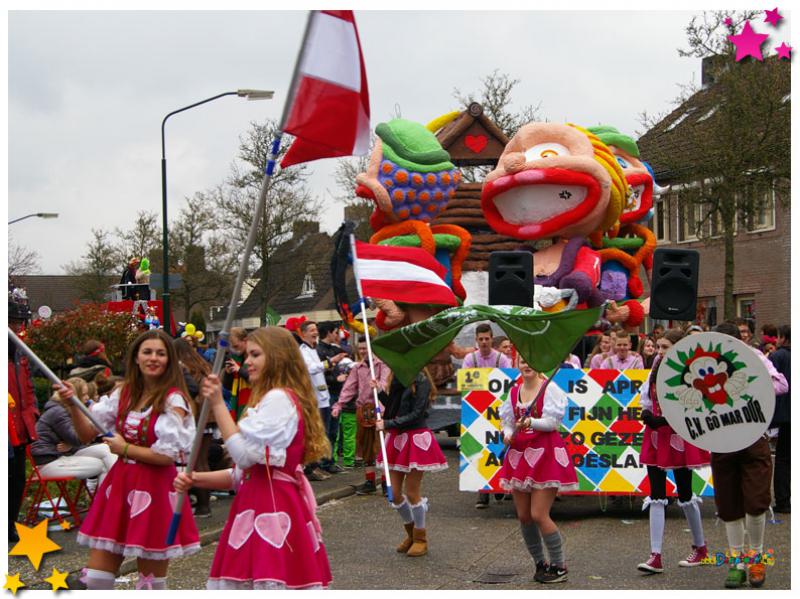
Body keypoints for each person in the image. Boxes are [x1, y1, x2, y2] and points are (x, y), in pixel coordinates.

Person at [173, 326, 332, 589]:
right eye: (247, 354)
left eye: (255, 354)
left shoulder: (279, 399)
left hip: (271, 507)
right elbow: (242, 475)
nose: (247, 361)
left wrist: (217, 405)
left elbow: (244, 457)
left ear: (277, 357)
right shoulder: (271, 399)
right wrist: (194, 479)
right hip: (257, 503)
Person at [57, 329, 199, 590]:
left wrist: (124, 449)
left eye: (160, 353)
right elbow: (87, 432)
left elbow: (166, 456)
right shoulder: (124, 393)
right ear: (136, 358)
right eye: (147, 352)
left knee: (150, 585)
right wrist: (73, 406)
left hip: (155, 489)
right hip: (121, 487)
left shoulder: (174, 399)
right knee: (97, 580)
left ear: (169, 360)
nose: (153, 358)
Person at [709, 322, 788, 589]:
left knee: (756, 501)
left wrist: (749, 383)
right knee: (729, 504)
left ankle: (755, 558)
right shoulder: (705, 363)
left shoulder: (754, 358)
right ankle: (736, 562)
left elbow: (781, 384)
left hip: (754, 437)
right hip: (721, 440)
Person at [636, 328, 711, 574]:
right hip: (657, 436)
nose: (659, 352)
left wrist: (667, 420)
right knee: (656, 492)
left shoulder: (689, 370)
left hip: (678, 435)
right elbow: (647, 397)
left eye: (665, 347)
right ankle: (655, 555)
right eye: (658, 347)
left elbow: (694, 405)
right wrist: (647, 413)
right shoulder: (657, 367)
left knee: (685, 492)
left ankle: (700, 547)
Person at [498, 354, 577, 583]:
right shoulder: (513, 392)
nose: (527, 365)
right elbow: (507, 421)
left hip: (545, 456)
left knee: (538, 514)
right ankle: (540, 563)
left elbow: (553, 423)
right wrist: (508, 434)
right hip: (520, 456)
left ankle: (559, 565)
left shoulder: (548, 389)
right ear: (517, 364)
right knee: (524, 516)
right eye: (523, 361)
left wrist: (531, 422)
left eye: (532, 360)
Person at [375, 369, 448, 557]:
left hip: (415, 439)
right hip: (398, 439)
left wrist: (388, 424)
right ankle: (411, 533)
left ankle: (420, 538)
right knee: (395, 494)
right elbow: (393, 407)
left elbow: (417, 413)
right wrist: (380, 392)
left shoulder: (421, 380)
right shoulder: (397, 377)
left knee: (412, 492)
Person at [30, 377, 117, 494]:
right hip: (47, 462)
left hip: (62, 454)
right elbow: (79, 438)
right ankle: (112, 499)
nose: (87, 398)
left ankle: (108, 501)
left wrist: (71, 445)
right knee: (103, 464)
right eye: (84, 394)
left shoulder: (64, 409)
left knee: (106, 448)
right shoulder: (58, 412)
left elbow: (78, 441)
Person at [331, 338, 391, 494]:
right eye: (361, 348)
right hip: (363, 411)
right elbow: (349, 388)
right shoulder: (358, 368)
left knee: (382, 448)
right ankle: (370, 481)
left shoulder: (383, 365)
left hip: (380, 410)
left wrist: (378, 386)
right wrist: (339, 405)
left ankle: (386, 483)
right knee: (366, 449)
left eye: (366, 348)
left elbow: (386, 385)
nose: (363, 351)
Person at [463, 324, 511, 508]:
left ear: (492, 339)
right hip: (476, 414)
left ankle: (498, 486)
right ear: (476, 340)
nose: (484, 342)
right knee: (477, 452)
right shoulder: (469, 359)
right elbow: (467, 388)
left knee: (499, 450)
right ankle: (482, 494)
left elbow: (508, 384)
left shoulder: (502, 359)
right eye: (480, 339)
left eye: (487, 338)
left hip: (498, 414)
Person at [8, 291, 40, 542]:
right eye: (12, 323)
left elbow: (28, 387)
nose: (17, 328)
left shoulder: (20, 354)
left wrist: (32, 413)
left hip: (19, 428)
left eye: (18, 323)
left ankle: (9, 524)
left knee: (17, 479)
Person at [174, 338, 214, 519]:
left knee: (195, 462)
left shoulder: (184, 368)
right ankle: (204, 504)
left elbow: (191, 389)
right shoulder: (201, 364)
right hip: (208, 416)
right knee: (201, 460)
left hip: (197, 416)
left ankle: (203, 506)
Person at [298, 320, 333, 481]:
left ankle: (317, 465)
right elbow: (311, 369)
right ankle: (310, 468)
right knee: (314, 434)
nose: (315, 332)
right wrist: (329, 363)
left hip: (324, 398)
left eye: (316, 330)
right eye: (311, 330)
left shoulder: (313, 350)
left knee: (322, 433)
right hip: (314, 400)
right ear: (303, 333)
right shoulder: (303, 351)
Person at [316, 321, 349, 473]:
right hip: (327, 393)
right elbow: (318, 375)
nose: (338, 336)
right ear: (328, 333)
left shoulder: (333, 349)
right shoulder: (318, 351)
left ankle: (330, 460)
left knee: (334, 430)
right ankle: (324, 462)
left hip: (337, 393)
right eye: (335, 332)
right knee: (327, 429)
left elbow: (348, 351)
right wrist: (335, 379)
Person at [769, 325, 790, 514]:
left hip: (783, 413)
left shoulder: (778, 356)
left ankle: (783, 500)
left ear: (782, 338)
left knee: (783, 458)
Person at [221, 327, 252, 421]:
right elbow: (228, 387)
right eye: (232, 348)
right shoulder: (236, 358)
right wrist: (228, 373)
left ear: (245, 341)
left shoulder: (256, 356)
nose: (235, 350)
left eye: (236, 346)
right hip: (239, 403)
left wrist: (239, 370)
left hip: (253, 402)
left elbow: (259, 379)